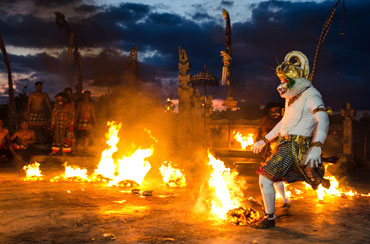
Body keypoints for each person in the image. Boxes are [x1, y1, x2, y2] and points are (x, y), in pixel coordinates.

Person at [251, 51, 329, 229]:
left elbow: (323, 119)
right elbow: (283, 123)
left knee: (265, 178)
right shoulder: (292, 97)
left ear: (295, 80)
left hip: (296, 145)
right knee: (274, 179)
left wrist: (317, 146)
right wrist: (265, 140)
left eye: (285, 81)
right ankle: (309, 178)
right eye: (281, 81)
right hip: (284, 145)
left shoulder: (312, 95)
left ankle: (270, 218)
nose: (281, 85)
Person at [259, 101, 290, 208]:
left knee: (272, 178)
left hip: (281, 152)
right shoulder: (266, 122)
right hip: (270, 152)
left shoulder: (285, 122)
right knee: (271, 178)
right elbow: (263, 135)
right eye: (273, 111)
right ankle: (282, 200)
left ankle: (282, 201)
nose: (275, 113)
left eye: (278, 110)